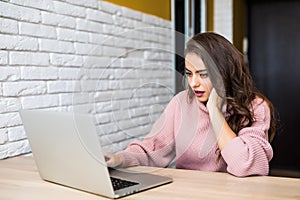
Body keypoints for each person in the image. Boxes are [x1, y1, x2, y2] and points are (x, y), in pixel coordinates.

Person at [104, 32, 276, 177]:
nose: (193, 83)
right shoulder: (181, 103)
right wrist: (119, 159)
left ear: (224, 72)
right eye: (189, 74)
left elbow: (246, 165)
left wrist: (214, 111)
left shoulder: (256, 106)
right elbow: (152, 149)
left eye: (203, 74)